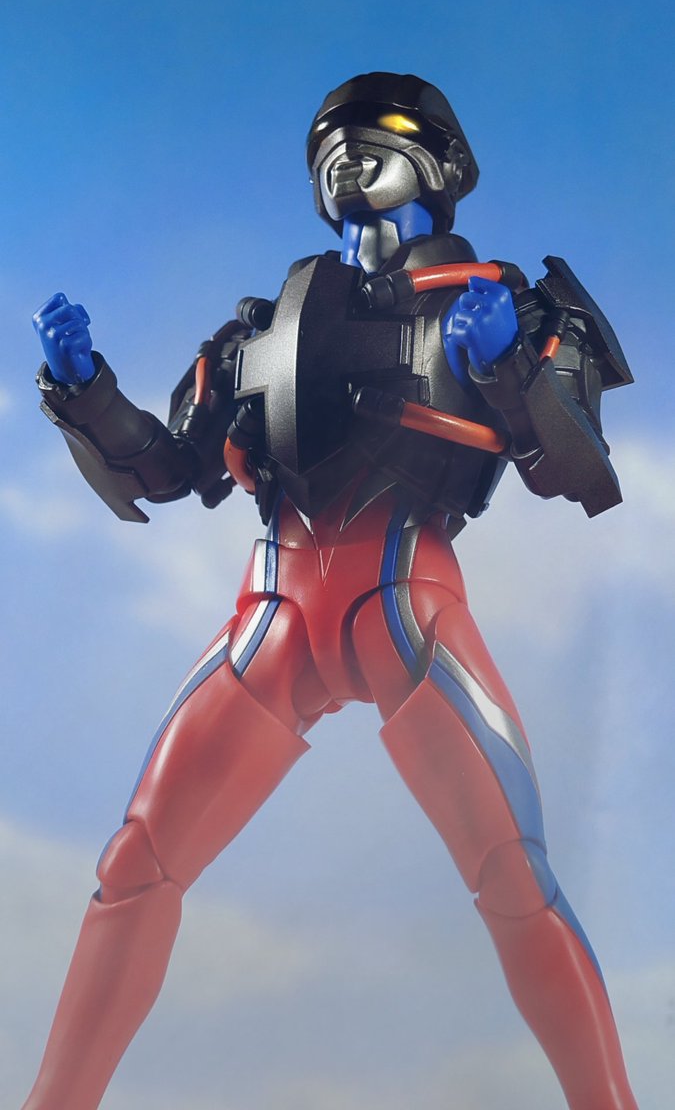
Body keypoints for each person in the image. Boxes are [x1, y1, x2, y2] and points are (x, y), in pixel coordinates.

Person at [24, 72, 638, 1110]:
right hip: (275, 614)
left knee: (514, 881)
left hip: (407, 604)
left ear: (441, 163)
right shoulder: (260, 331)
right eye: (328, 145)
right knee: (135, 865)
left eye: (381, 131)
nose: (348, 153)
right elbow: (171, 471)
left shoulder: (514, 305)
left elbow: (573, 468)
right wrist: (85, 390)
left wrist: (508, 369)